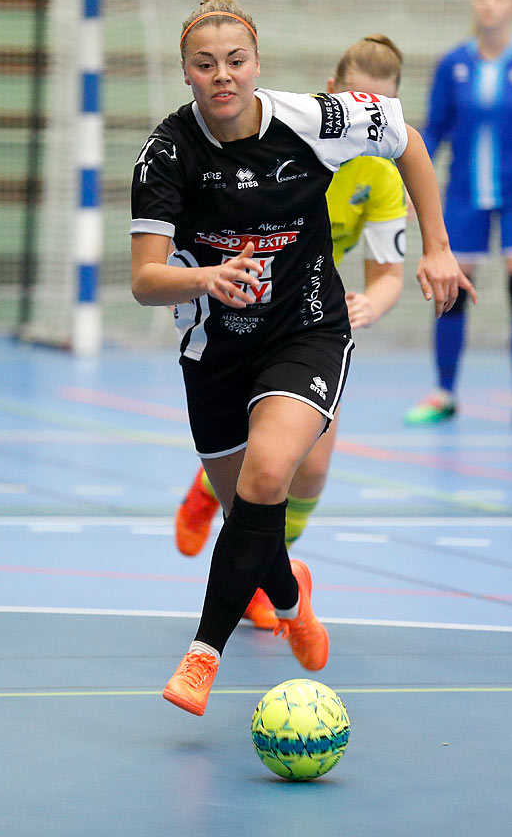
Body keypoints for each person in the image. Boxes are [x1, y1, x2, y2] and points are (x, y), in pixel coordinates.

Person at [130, 0, 473, 716]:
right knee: (248, 518)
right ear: (186, 72)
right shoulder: (166, 154)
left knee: (269, 471)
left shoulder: (314, 121)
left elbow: (407, 138)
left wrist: (437, 248)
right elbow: (143, 280)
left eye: (236, 60)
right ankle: (291, 597)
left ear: (256, 65)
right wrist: (207, 278)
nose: (222, 75)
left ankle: (201, 657)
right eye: (205, 64)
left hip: (305, 329)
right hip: (213, 349)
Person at [172, 35, 410, 632]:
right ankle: (230, 522)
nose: (369, 117)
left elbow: (387, 274)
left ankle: (259, 560)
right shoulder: (293, 135)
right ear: (334, 93)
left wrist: (369, 306)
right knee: (265, 462)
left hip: (307, 319)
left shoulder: (379, 175)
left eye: (382, 106)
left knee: (309, 467)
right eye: (361, 100)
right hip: (238, 316)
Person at [403, 0, 512, 431]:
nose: (489, 4)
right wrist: (418, 186)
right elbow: (431, 131)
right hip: (463, 194)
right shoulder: (453, 64)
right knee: (451, 291)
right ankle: (444, 393)